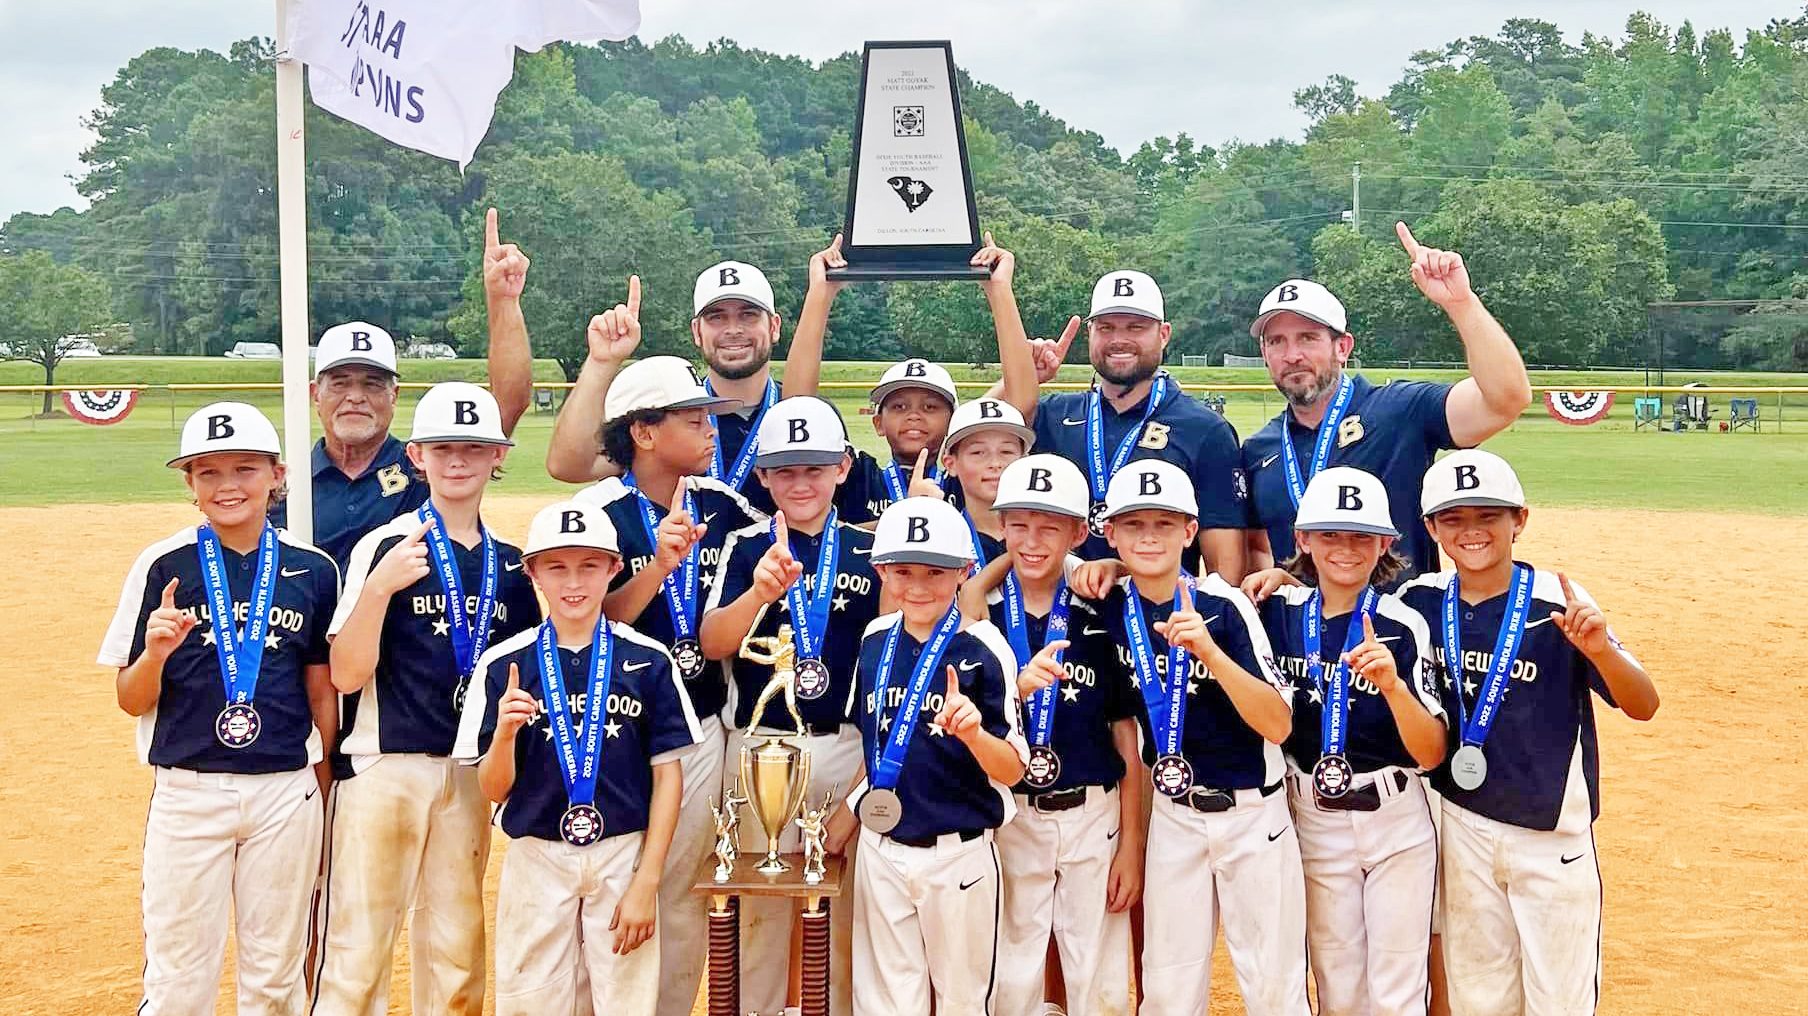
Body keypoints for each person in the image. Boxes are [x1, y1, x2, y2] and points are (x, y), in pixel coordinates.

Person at [1398, 450, 1658, 1015]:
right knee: (1478, 994)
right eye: (1453, 519)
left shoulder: (1558, 599)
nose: (1471, 532)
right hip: (1462, 823)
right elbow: (1337, 594)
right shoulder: (1417, 600)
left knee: (1559, 998)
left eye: (1488, 516)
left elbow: (1643, 703)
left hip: (1550, 835)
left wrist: (1600, 653)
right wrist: (1281, 574)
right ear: (1430, 528)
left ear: (1520, 520)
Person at [101, 402, 339, 1015]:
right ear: (189, 484)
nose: (227, 486)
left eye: (244, 469)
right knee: (180, 976)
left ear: (276, 476)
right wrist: (154, 653)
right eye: (208, 472)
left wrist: (321, 781)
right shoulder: (163, 566)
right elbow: (131, 700)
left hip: (285, 791)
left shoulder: (313, 570)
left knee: (276, 976)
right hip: (189, 791)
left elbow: (320, 691)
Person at [312, 382, 541, 1016]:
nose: (458, 461)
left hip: (466, 772)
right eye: (443, 448)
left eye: (474, 448)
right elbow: (346, 673)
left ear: (499, 455)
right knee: (358, 947)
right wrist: (380, 591)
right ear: (416, 457)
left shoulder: (516, 567)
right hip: (387, 765)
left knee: (457, 949)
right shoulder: (385, 547)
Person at [570, 349, 764, 1013]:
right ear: (643, 432)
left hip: (701, 726)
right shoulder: (598, 514)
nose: (712, 429)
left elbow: (801, 525)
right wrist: (656, 567)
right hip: (613, 731)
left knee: (682, 892)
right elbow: (590, 623)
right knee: (614, 886)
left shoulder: (726, 506)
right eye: (693, 417)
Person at [454, 500, 701, 1015]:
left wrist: (648, 879)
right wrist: (502, 735)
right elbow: (492, 789)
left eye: (590, 566)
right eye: (557, 567)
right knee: (531, 998)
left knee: (625, 999)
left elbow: (669, 778)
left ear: (615, 568)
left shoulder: (648, 660)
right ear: (533, 573)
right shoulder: (505, 665)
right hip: (537, 855)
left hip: (622, 853)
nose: (574, 583)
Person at [1096, 459, 1307, 1016]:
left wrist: (1210, 653)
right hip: (1174, 817)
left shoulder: (1224, 604)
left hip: (1250, 817)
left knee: (1273, 987)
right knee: (1167, 989)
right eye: (1133, 525)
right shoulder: (1110, 607)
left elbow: (1279, 723)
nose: (1149, 537)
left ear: (1191, 531)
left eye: (1164, 525)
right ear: (1110, 533)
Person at [699, 395, 886, 1016]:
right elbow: (714, 642)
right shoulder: (747, 547)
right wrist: (758, 593)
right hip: (758, 751)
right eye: (785, 470)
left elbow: (891, 665)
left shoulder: (869, 550)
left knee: (845, 921)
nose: (800, 482)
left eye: (815, 467)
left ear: (843, 467)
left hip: (842, 750)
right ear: (762, 475)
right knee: (757, 917)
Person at [1248, 466, 1445, 1016]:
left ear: (1385, 542)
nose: (1345, 548)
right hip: (1313, 816)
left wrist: (1395, 688)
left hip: (1395, 817)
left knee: (1398, 988)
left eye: (1361, 536)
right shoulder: (1274, 615)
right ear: (1303, 540)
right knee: (1337, 984)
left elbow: (1431, 752)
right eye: (1329, 534)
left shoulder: (1403, 624)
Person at [1240, 222, 1533, 579]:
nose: (1292, 355)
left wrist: (1461, 304)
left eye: (1307, 338)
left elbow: (1507, 399)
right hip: (1307, 633)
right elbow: (1258, 548)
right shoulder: (1259, 450)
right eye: (1277, 342)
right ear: (1264, 353)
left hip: (1401, 630)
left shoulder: (1399, 410)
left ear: (1342, 347)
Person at [827, 496, 1028, 1016]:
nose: (918, 586)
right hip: (882, 848)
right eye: (903, 571)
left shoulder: (986, 648)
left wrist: (975, 735)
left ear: (965, 571)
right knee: (885, 1001)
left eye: (936, 573)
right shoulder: (873, 641)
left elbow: (1013, 768)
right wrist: (849, 814)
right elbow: (875, 748)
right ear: (881, 572)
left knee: (963, 1000)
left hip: (957, 854)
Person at [277, 208, 534, 566]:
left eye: (372, 384)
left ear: (393, 396)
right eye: (340, 383)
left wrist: (503, 302)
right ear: (314, 394)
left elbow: (509, 402)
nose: (355, 397)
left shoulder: (424, 465)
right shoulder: (286, 485)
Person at [985, 454, 1143, 1016]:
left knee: (1096, 974)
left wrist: (1132, 843)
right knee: (1011, 971)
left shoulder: (1102, 609)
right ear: (1000, 525)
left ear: (1079, 532)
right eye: (1019, 524)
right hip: (1010, 814)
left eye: (1050, 527)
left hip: (1091, 815)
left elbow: (1127, 740)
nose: (1032, 541)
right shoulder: (981, 616)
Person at [784, 232, 1038, 524]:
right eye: (899, 407)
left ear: (952, 421)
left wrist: (999, 290)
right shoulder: (858, 477)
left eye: (930, 407)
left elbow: (1022, 407)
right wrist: (820, 293)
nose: (914, 416)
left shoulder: (963, 476)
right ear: (877, 422)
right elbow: (797, 410)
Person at [1015, 270, 1248, 579]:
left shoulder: (1205, 430)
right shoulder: (1053, 415)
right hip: (1060, 619)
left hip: (1157, 620)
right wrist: (1025, 376)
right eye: (1106, 328)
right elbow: (971, 440)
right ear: (1091, 334)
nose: (1118, 340)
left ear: (1164, 334)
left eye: (1136, 327)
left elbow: (1225, 574)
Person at [547, 262, 786, 519]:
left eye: (748, 315)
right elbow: (567, 467)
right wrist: (601, 362)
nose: (733, 329)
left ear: (774, 326)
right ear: (697, 331)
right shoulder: (668, 414)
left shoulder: (798, 413)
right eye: (716, 317)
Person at [913, 396, 1036, 566]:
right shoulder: (940, 536)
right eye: (978, 452)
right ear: (951, 464)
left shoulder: (1047, 536)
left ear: (1024, 459)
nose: (995, 464)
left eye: (1006, 452)